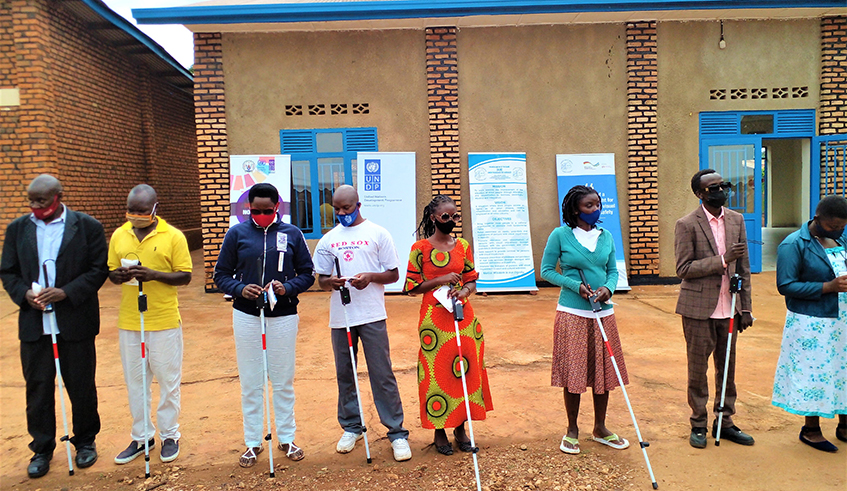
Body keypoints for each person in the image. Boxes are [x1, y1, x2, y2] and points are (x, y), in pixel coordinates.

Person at [0, 174, 108, 478]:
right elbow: (8, 271)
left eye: (41, 201)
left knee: (81, 385)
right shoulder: (17, 229)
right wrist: (24, 294)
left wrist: (66, 292)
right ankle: (42, 449)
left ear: (58, 196)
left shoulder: (87, 227)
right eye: (31, 201)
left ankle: (85, 442)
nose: (35, 206)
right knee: (38, 387)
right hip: (35, 324)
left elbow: (98, 269)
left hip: (75, 321)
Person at [214, 183, 315, 466]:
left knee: (283, 380)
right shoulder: (237, 234)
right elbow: (220, 274)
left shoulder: (292, 234)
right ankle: (252, 442)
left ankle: (286, 437)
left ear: (277, 208)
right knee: (251, 381)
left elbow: (308, 274)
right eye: (254, 211)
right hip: (247, 316)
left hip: (283, 316)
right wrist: (239, 288)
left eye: (266, 211)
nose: (260, 215)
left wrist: (288, 287)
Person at [313, 184, 412, 462]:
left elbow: (393, 275)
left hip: (371, 315)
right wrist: (330, 282)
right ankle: (352, 427)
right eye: (337, 209)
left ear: (358, 205)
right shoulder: (328, 240)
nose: (342, 213)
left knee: (383, 374)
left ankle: (397, 432)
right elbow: (320, 280)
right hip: (341, 317)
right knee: (346, 374)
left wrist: (370, 276)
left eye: (347, 207)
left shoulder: (378, 233)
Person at [540, 185, 630, 455]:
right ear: (574, 208)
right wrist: (573, 285)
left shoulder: (607, 236)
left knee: (603, 371)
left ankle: (600, 428)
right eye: (589, 206)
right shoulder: (560, 235)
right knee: (575, 372)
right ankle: (572, 429)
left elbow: (613, 270)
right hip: (573, 314)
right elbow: (546, 271)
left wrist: (608, 289)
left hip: (604, 312)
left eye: (598, 205)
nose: (595, 210)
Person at [107, 184, 192, 464]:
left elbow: (185, 276)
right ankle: (142, 437)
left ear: (156, 209)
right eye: (131, 211)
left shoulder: (173, 236)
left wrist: (154, 274)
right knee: (135, 383)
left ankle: (170, 435)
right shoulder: (119, 235)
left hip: (164, 320)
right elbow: (110, 271)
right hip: (130, 321)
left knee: (168, 382)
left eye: (142, 211)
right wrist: (118, 276)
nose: (135, 216)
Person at [403, 195, 493, 455]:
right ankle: (439, 430)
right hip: (434, 320)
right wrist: (440, 279)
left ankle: (461, 428)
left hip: (463, 317)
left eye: (455, 217)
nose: (451, 221)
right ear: (433, 218)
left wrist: (465, 291)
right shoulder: (419, 248)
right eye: (446, 217)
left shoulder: (462, 245)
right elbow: (410, 287)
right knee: (438, 373)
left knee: (464, 371)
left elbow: (472, 279)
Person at [674, 168, 755, 449]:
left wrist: (745, 308)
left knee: (727, 369)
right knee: (698, 371)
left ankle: (725, 422)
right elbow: (683, 269)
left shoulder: (737, 220)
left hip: (730, 308)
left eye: (724, 185)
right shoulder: (687, 224)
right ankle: (699, 423)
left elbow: (743, 268)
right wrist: (722, 260)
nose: (721, 191)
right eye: (713, 187)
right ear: (699, 194)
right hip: (698, 309)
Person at [773, 194, 847, 452]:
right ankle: (811, 429)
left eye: (842, 225)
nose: (837, 229)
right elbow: (786, 285)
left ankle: (844, 424)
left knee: (842, 373)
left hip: (842, 321)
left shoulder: (841, 237)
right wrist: (828, 286)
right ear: (817, 218)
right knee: (814, 375)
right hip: (812, 323)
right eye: (833, 225)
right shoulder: (794, 244)